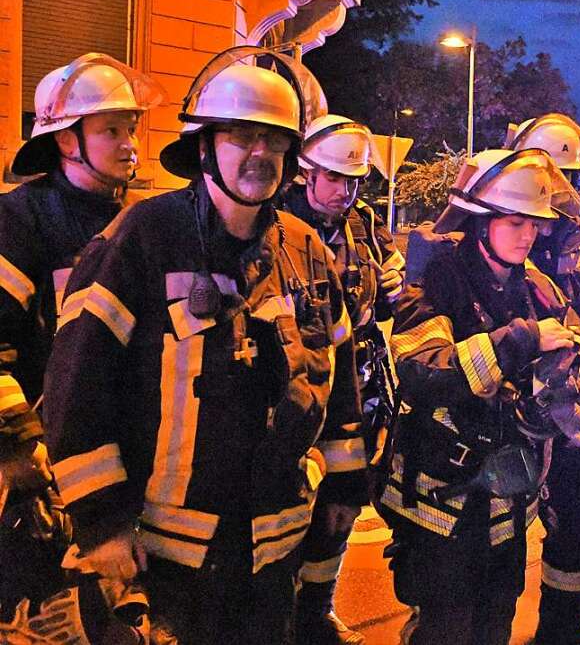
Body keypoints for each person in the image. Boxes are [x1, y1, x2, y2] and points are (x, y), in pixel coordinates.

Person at [43, 47, 351, 644]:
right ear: (205, 146)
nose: (259, 152)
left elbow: (338, 377)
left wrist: (344, 483)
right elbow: (76, 381)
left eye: (275, 139)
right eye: (240, 134)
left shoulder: (307, 251)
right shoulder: (142, 238)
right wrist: (102, 523)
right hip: (169, 560)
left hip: (275, 546)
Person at [381, 148, 580, 645]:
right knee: (446, 628)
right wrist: (519, 341)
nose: (528, 235)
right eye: (514, 221)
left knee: (495, 625)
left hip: (508, 501)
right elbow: (421, 372)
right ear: (480, 219)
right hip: (441, 497)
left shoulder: (536, 284)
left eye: (534, 223)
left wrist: (574, 372)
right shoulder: (437, 276)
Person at [0, 53, 162, 638]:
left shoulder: (137, 221)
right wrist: (20, 454)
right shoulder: (22, 219)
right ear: (67, 140)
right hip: (42, 469)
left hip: (119, 461)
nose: (130, 145)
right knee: (47, 618)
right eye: (111, 130)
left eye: (132, 129)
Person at [282, 115, 405, 645]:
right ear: (305, 174)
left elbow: (390, 295)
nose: (346, 191)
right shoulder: (276, 225)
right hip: (297, 391)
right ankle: (277, 616)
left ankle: (315, 615)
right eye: (335, 178)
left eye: (354, 180)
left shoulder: (365, 226)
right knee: (286, 511)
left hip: (357, 387)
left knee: (341, 506)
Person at [505, 114, 580, 643]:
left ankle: (559, 617)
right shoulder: (498, 227)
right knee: (497, 528)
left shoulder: (577, 236)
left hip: (572, 394)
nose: (559, 188)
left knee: (579, 519)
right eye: (552, 173)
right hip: (510, 404)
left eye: (569, 176)